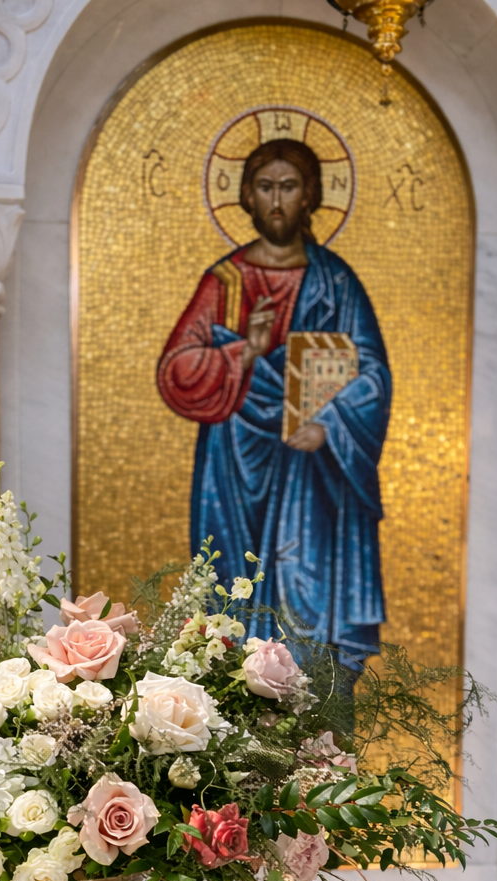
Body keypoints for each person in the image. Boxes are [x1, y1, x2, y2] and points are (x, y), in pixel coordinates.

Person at [156, 138, 391, 681]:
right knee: (230, 604)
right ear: (247, 196)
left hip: (311, 470)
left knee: (306, 611)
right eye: (266, 187)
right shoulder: (225, 282)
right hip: (232, 467)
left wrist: (328, 425)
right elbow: (176, 371)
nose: (277, 200)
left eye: (289, 187)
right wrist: (245, 351)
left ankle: (312, 714)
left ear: (310, 195)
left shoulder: (337, 283)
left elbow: (373, 373)